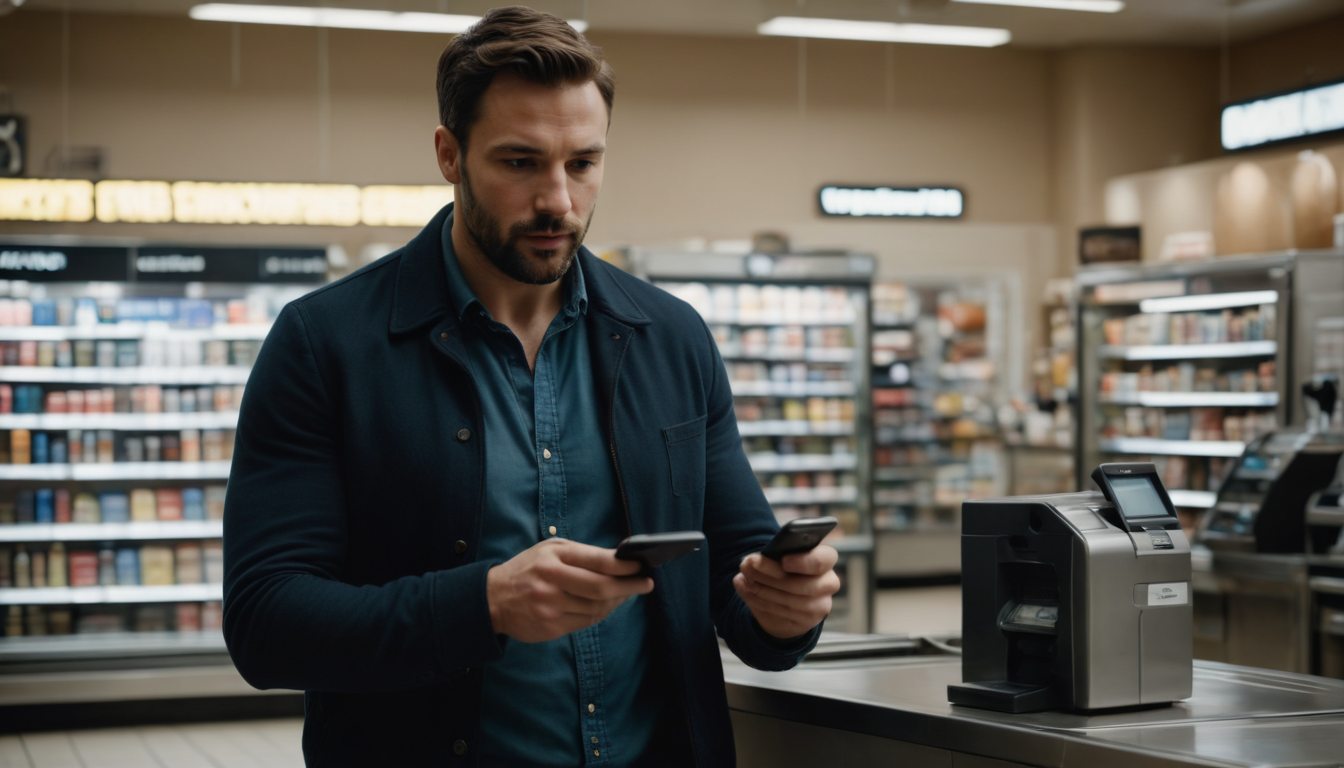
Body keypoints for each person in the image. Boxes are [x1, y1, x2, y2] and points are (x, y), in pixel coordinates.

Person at [222, 6, 840, 767]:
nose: (558, 201)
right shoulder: (326, 344)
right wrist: (484, 604)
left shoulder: (670, 337)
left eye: (582, 163)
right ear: (450, 155)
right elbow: (266, 625)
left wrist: (785, 611)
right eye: (520, 163)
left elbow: (734, 581)